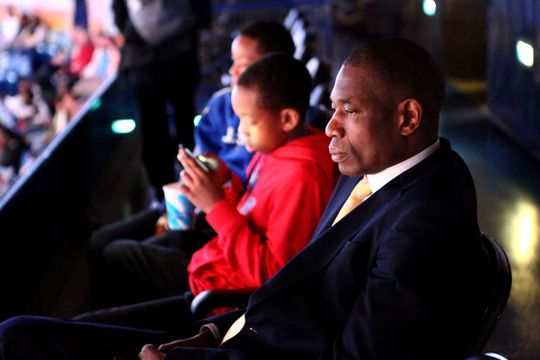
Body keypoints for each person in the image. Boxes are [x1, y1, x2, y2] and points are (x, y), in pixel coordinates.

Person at [0, 38, 491, 360]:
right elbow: (297, 281)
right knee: (22, 333)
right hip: (237, 329)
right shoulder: (369, 165)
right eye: (332, 108)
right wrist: (216, 331)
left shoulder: (427, 219)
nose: (331, 126)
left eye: (349, 110)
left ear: (407, 118)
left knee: (24, 338)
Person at [87, 21, 298, 308]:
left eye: (244, 64)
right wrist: (209, 176)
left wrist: (215, 203)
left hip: (222, 227)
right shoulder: (223, 106)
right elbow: (210, 169)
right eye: (233, 63)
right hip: (210, 212)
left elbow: (271, 270)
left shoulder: (290, 155)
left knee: (117, 255)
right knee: (101, 242)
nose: (233, 71)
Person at [112, 0, 211, 196]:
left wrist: (129, 33)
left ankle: (162, 191)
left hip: (143, 56)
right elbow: (202, 10)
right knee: (184, 119)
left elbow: (119, 13)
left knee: (153, 127)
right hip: (181, 50)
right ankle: (194, 182)